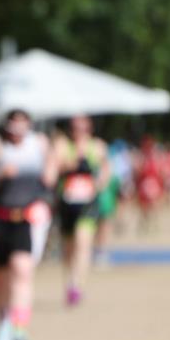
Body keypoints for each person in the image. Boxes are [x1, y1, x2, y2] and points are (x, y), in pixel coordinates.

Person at [0, 109, 58, 340]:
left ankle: (20, 327)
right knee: (0, 276)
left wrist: (51, 167)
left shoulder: (39, 144)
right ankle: (3, 322)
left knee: (22, 269)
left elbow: (52, 173)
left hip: (26, 218)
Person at [55, 115, 110, 306]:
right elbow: (55, 167)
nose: (79, 132)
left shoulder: (98, 146)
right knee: (69, 247)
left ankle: (77, 285)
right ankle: (69, 281)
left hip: (88, 202)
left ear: (90, 128)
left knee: (83, 242)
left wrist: (98, 181)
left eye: (83, 128)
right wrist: (71, 163)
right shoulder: (62, 145)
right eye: (75, 128)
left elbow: (105, 173)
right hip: (67, 202)